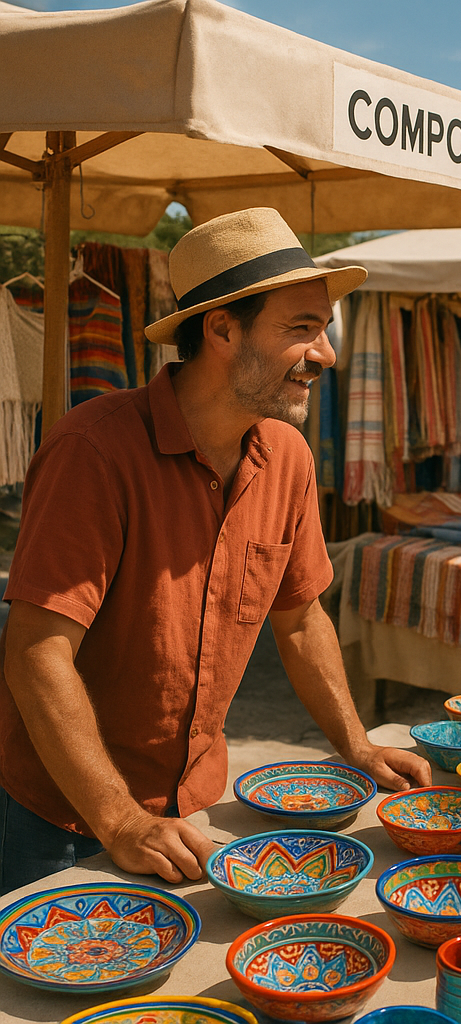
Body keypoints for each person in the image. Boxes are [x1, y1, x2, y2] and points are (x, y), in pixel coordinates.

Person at [0, 208, 431, 896]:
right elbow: (34, 651)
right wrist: (118, 820)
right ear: (223, 328)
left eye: (322, 330)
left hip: (198, 804)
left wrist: (356, 744)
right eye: (302, 329)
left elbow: (301, 617)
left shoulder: (286, 453)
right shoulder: (94, 449)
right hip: (65, 820)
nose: (326, 356)